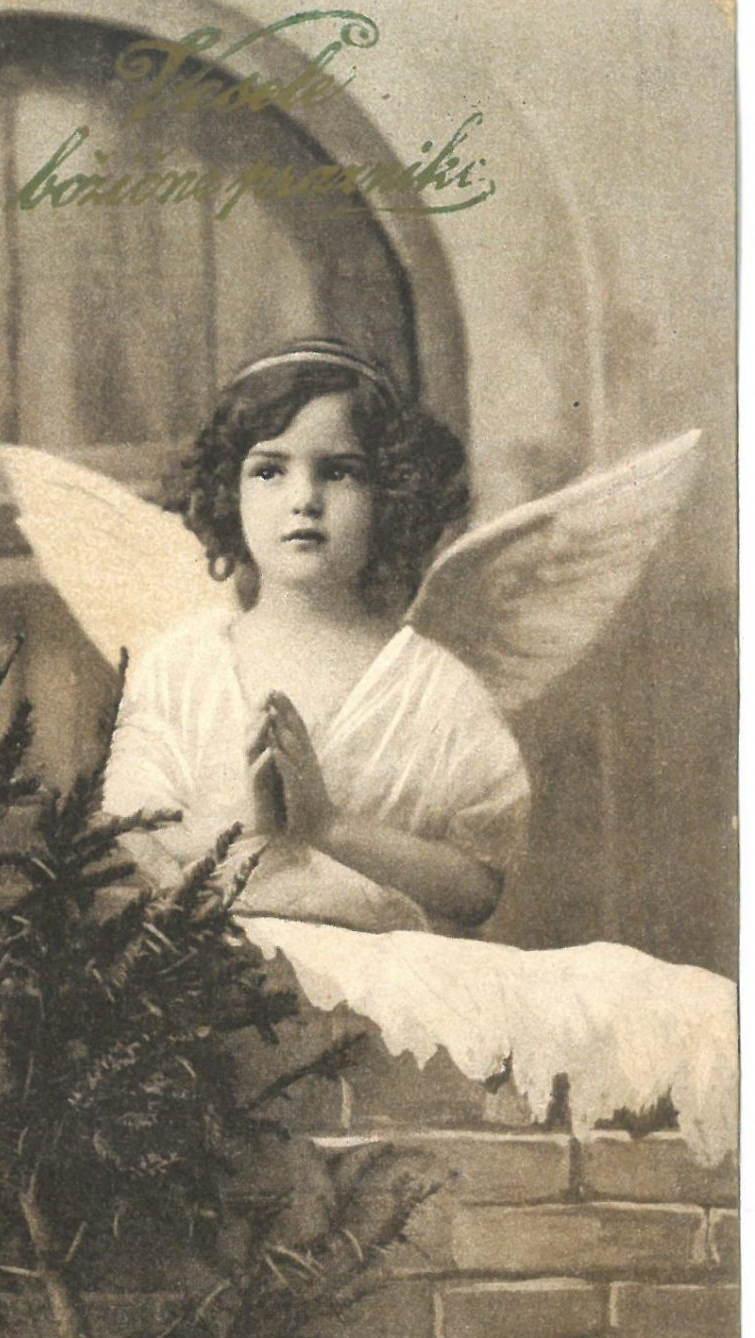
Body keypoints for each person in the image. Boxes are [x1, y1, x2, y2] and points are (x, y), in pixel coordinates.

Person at [102, 339, 736, 1161]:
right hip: (229, 978)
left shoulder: (434, 687)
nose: (304, 499)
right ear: (229, 490)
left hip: (399, 984)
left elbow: (475, 888)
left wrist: (328, 827)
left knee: (677, 1009)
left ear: (390, 494)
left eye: (340, 472)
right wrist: (249, 835)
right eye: (269, 470)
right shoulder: (179, 668)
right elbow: (135, 844)